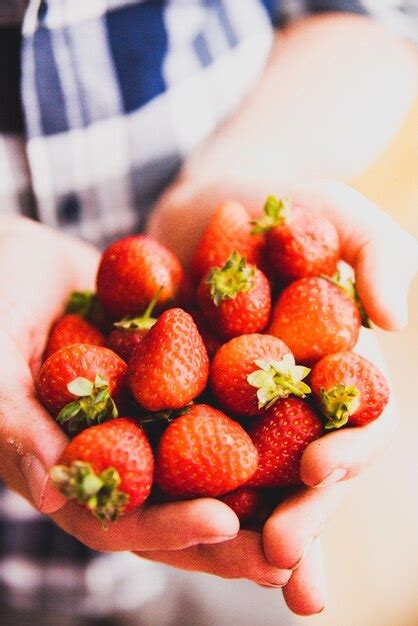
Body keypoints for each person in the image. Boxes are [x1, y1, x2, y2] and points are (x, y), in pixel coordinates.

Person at [0, 1, 417, 624]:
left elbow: (374, 18)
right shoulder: (164, 362)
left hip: (230, 546)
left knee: (260, 560)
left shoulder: (194, 359)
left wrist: (250, 167)